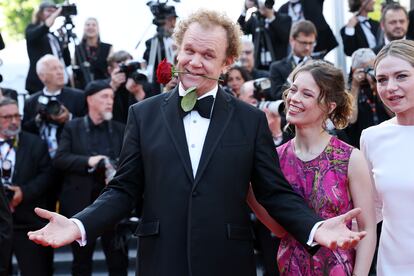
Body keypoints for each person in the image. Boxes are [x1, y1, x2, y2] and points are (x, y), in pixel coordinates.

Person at [28, 10, 366, 276]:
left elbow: (273, 192)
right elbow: (123, 190)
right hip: (160, 261)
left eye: (208, 54)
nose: (194, 61)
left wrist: (315, 227)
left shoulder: (249, 121)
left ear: (227, 62)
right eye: (188, 50)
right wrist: (78, 224)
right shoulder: (142, 115)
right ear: (177, 49)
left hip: (227, 261)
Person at [249, 60, 376, 275]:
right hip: (290, 269)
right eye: (293, 89)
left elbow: (367, 228)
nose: (294, 98)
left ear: (329, 106)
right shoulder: (276, 158)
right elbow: (280, 229)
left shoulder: (349, 158)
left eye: (306, 94)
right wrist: (248, 189)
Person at [53, 80, 127, 276]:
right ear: (90, 99)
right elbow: (60, 159)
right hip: (81, 206)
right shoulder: (72, 127)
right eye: (104, 97)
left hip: (114, 205)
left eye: (111, 97)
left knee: (118, 262)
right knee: (81, 263)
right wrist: (90, 161)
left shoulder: (120, 129)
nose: (109, 101)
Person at [360, 39, 414, 275]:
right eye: (382, 79)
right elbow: (371, 208)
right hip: (393, 267)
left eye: (401, 76)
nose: (390, 87)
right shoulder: (371, 138)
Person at [0, 98, 53, 276]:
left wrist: (24, 192)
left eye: (17, 116)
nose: (14, 121)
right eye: (7, 117)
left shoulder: (34, 143)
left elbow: (47, 175)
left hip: (29, 224)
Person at [346, 48, 392, 148]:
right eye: (363, 69)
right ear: (353, 70)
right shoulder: (347, 88)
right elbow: (350, 119)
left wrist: (376, 87)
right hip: (360, 144)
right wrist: (355, 86)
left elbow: (393, 114)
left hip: (388, 140)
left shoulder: (383, 84)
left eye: (370, 69)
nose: (367, 73)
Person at [25, 2, 70, 94]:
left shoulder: (53, 37)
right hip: (39, 82)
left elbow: (66, 61)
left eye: (54, 11)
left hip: (58, 83)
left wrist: (64, 44)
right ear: (40, 13)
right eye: (49, 11)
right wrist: (57, 13)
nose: (52, 14)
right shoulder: (32, 29)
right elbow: (40, 31)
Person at [269, 20, 317, 100]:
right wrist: (290, 80)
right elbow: (276, 96)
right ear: (292, 41)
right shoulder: (277, 68)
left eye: (311, 43)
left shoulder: (321, 65)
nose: (307, 47)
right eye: (303, 43)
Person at [238, 0, 292, 70]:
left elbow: (285, 37)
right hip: (258, 67)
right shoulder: (255, 20)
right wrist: (245, 10)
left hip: (279, 66)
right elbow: (239, 30)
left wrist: (271, 17)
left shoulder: (284, 19)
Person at [73, 17, 113, 89]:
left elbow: (112, 68)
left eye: (93, 25)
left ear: (98, 29)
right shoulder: (78, 48)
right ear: (84, 28)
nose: (90, 27)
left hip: (103, 87)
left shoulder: (107, 48)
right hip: (83, 88)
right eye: (88, 25)